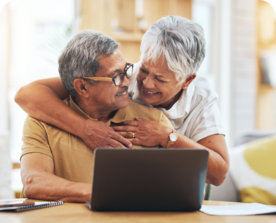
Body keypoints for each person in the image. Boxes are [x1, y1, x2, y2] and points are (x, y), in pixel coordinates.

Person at [16, 16, 229, 186]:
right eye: (144, 70)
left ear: (187, 81)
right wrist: (84, 127)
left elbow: (218, 174)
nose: (145, 83)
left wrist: (168, 137)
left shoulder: (199, 98)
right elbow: (29, 94)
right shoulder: (124, 73)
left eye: (161, 79)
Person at [20, 30, 175, 202]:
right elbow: (34, 182)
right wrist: (103, 193)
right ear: (83, 87)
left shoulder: (154, 121)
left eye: (126, 71)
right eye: (116, 76)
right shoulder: (41, 122)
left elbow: (180, 186)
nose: (126, 82)